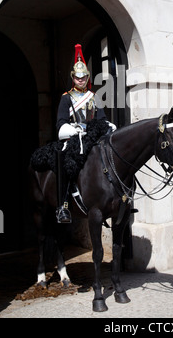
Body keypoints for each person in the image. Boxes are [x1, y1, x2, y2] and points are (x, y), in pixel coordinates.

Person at [55, 44, 116, 223]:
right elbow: (60, 123)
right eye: (77, 77)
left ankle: (119, 199)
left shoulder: (94, 97)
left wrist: (109, 126)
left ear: (87, 77)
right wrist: (76, 130)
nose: (80, 80)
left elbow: (102, 118)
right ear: (73, 78)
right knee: (63, 160)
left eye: (83, 77)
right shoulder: (66, 98)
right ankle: (63, 206)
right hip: (74, 137)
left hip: (93, 137)